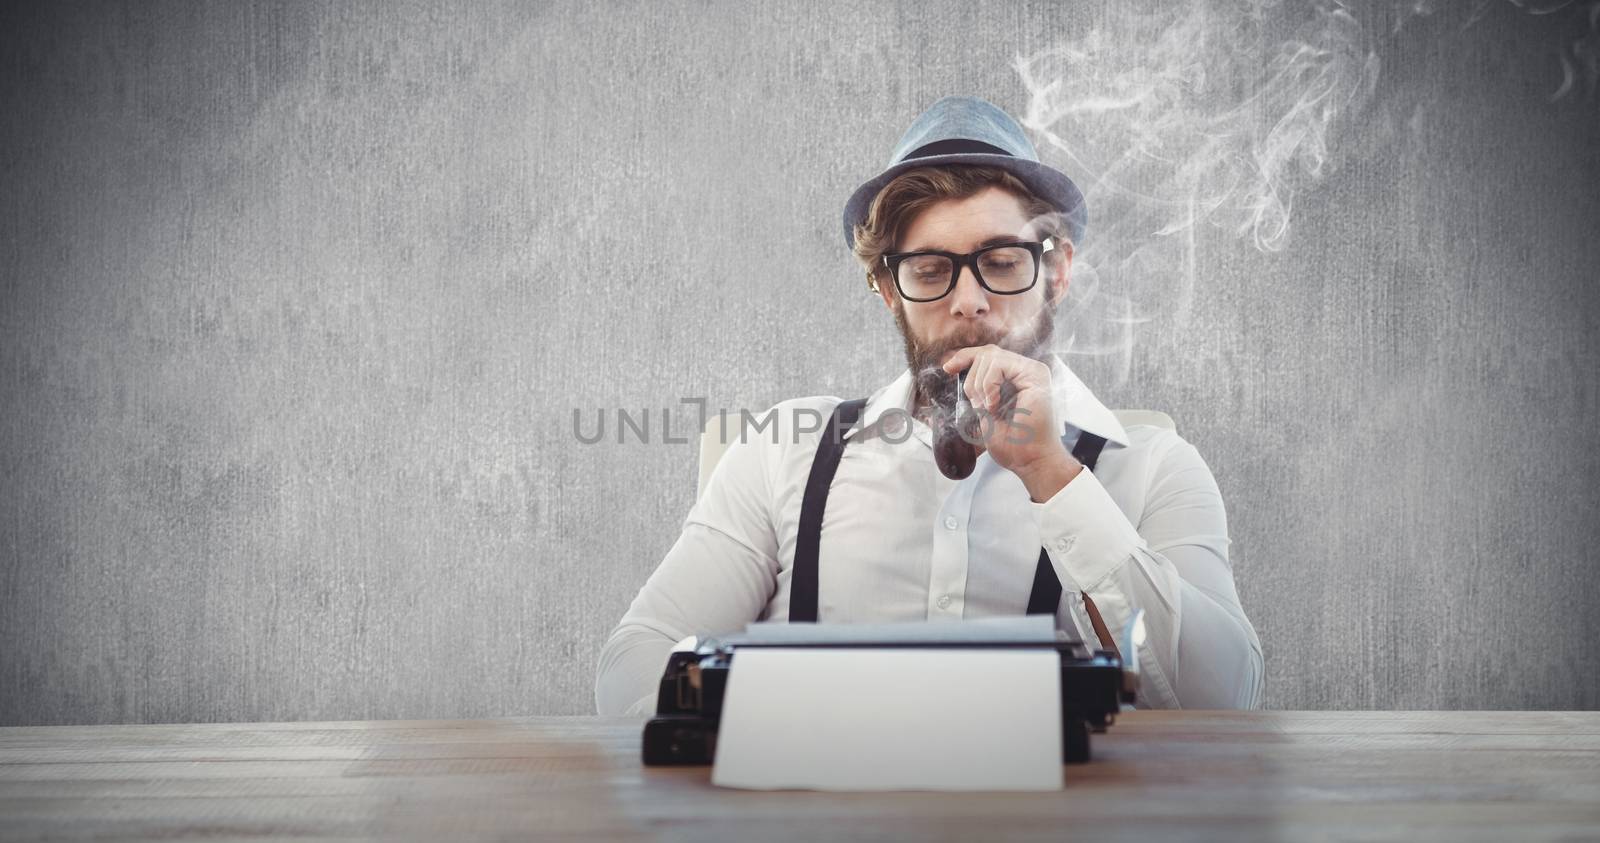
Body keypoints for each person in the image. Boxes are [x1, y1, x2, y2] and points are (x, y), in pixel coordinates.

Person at [594, 95, 1264, 715]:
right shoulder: (781, 451)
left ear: (1057, 271)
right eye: (930, 270)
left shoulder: (1155, 469)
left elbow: (1226, 698)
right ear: (890, 291)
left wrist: (1053, 475)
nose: (968, 300)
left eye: (1001, 261)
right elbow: (631, 668)